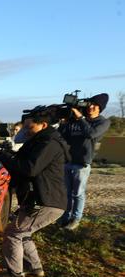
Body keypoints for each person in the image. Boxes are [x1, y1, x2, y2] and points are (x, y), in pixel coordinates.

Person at [0, 107, 70, 277]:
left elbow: (29, 168)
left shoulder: (48, 143)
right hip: (42, 199)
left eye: (29, 128)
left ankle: (16, 274)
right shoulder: (39, 140)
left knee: (13, 233)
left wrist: (4, 156)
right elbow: (23, 161)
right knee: (24, 232)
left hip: (46, 201)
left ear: (43, 125)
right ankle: (34, 268)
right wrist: (9, 153)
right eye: (25, 128)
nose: (26, 132)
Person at [58, 93, 111, 230]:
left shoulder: (102, 122)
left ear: (100, 108)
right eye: (89, 104)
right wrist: (64, 123)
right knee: (67, 192)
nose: (90, 107)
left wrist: (80, 118)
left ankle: (76, 218)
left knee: (78, 193)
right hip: (68, 159)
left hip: (82, 162)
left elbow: (91, 134)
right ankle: (65, 216)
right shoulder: (75, 120)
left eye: (94, 105)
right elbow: (62, 136)